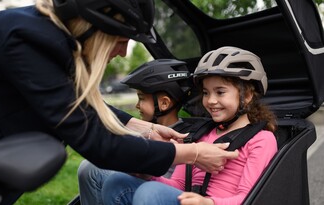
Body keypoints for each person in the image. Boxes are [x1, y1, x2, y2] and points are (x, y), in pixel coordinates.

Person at [0, 0, 239, 204]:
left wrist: (143, 127)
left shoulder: (45, 35)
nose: (122, 52)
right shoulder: (29, 42)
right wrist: (194, 154)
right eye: (121, 40)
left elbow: (72, 104)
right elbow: (97, 143)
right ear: (95, 27)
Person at [101, 46, 278, 205]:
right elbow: (178, 184)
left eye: (220, 92)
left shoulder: (262, 139)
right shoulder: (201, 134)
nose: (211, 100)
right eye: (206, 93)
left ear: (247, 95)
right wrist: (147, 175)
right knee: (116, 183)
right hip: (189, 200)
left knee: (150, 193)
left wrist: (209, 203)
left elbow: (250, 197)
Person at [77, 59, 194, 205]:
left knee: (95, 171)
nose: (137, 105)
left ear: (164, 103)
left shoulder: (182, 137)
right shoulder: (147, 132)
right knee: (89, 168)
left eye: (141, 99)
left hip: (156, 192)